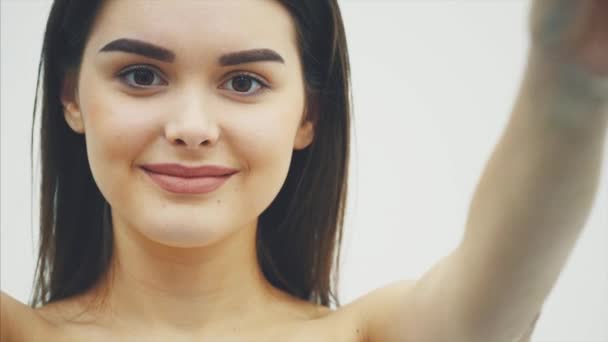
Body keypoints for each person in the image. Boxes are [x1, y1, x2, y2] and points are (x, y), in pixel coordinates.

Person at [1, 0, 606, 341]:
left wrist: (571, 80)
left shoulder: (375, 336)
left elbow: (496, 284)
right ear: (71, 97)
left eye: (243, 82)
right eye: (141, 75)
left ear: (307, 116)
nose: (191, 126)